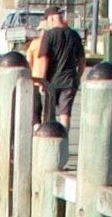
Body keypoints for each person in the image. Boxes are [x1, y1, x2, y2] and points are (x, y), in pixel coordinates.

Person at [29, 8, 85, 139]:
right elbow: (82, 60)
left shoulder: (49, 35)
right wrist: (78, 77)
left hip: (51, 82)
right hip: (69, 81)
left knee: (49, 114)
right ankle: (64, 140)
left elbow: (43, 59)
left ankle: (49, 140)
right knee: (65, 114)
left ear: (51, 18)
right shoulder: (74, 35)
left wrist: (42, 80)